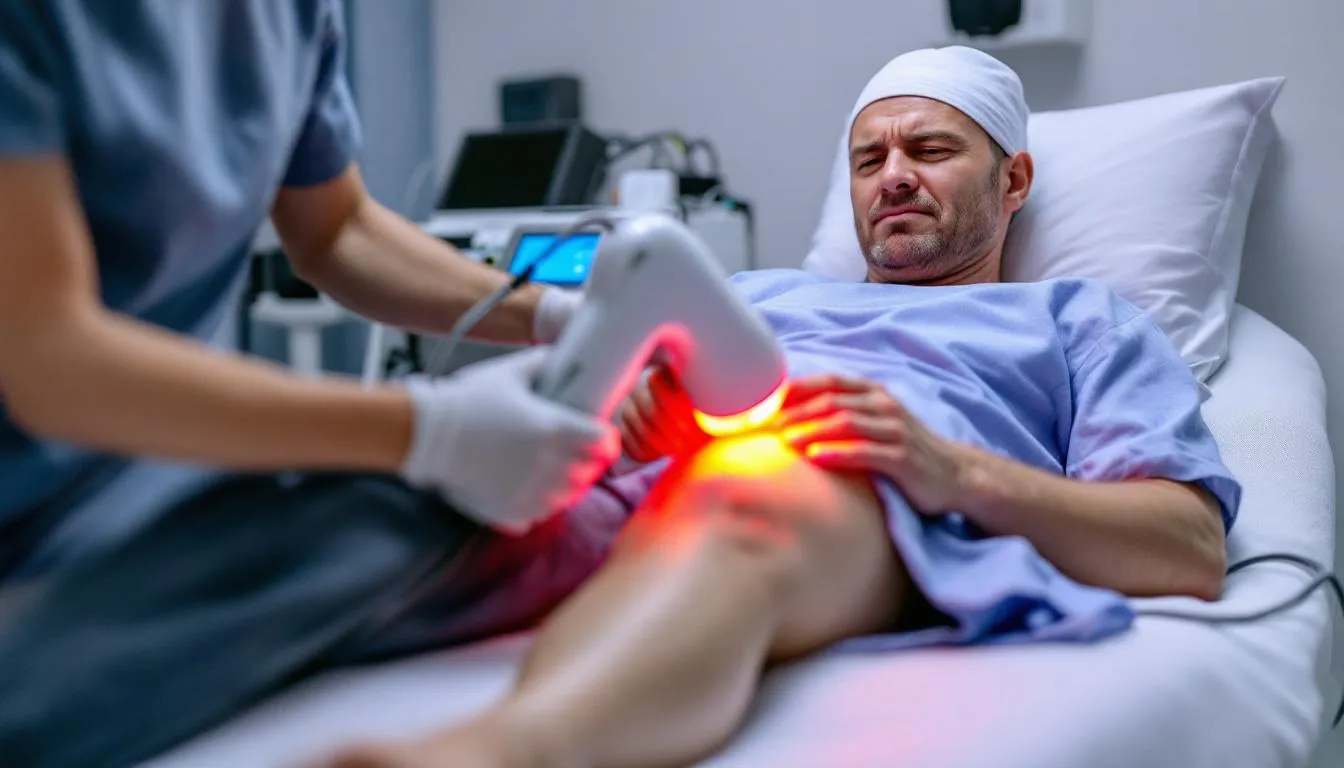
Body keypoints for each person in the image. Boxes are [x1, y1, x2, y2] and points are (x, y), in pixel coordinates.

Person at [319, 46, 1242, 768]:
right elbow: (609, 408)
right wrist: (638, 417)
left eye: (930, 150)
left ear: (1014, 183)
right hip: (632, 493)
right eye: (869, 158)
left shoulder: (1077, 320)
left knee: (742, 491)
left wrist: (952, 470)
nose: (893, 176)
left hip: (845, 499)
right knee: (388, 508)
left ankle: (502, 752)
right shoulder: (752, 295)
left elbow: (1188, 549)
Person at [0, 3, 621, 765]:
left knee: (524, 522)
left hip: (141, 495)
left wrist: (556, 315)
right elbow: (47, 356)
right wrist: (427, 431)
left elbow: (339, 230)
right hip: (42, 505)